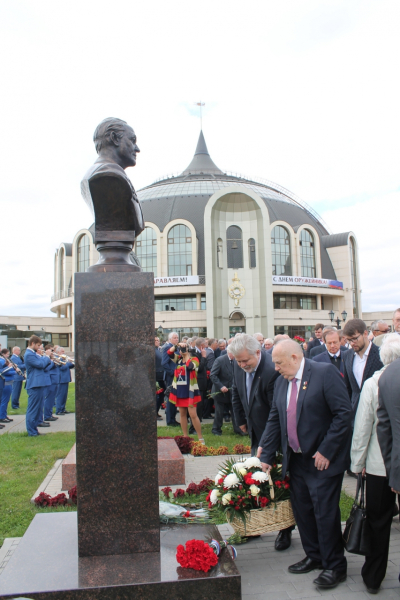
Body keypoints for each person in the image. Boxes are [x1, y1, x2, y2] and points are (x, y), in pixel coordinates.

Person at [259, 339, 352, 589]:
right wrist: (266, 454)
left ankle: (335, 566)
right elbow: (275, 418)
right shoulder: (282, 381)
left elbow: (343, 413)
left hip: (322, 460)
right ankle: (314, 555)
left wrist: (327, 450)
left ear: (294, 357)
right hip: (296, 459)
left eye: (279, 363)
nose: (275, 368)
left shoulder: (324, 373)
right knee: (303, 511)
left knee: (324, 513)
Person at [230, 335, 293, 551]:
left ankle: (285, 529)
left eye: (245, 361)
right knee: (256, 478)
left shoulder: (271, 370)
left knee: (280, 481)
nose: (242, 365)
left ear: (258, 352)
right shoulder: (240, 363)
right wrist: (240, 419)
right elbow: (236, 391)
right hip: (255, 430)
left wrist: (267, 443)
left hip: (276, 434)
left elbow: (277, 412)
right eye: (238, 361)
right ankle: (254, 526)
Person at [351, 333, 400, 593]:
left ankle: (373, 576)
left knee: (378, 521)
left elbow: (363, 427)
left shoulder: (373, 383)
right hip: (390, 463)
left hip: (379, 465)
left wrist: (357, 464)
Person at [343, 319, 384, 417]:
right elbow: (348, 387)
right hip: (355, 412)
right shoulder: (347, 355)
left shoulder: (381, 354)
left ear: (365, 333)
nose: (352, 343)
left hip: (377, 411)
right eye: (349, 340)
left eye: (355, 339)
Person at [167, 342, 204, 442]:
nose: (182, 351)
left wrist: (187, 355)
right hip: (180, 391)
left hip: (190, 391)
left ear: (189, 349)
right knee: (182, 414)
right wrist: (177, 345)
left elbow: (190, 366)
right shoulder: (178, 360)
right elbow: (169, 353)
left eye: (184, 349)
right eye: (181, 349)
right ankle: (185, 436)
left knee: (193, 415)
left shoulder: (194, 359)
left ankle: (200, 438)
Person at [210, 348, 244, 436]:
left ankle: (238, 429)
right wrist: (221, 386)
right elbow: (213, 375)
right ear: (229, 352)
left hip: (233, 391)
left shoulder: (237, 360)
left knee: (235, 411)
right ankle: (216, 429)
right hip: (220, 391)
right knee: (219, 412)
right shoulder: (220, 360)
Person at [25, 335, 53, 436]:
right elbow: (40, 364)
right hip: (34, 384)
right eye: (38, 345)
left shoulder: (33, 354)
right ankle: (31, 432)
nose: (39, 348)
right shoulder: (29, 354)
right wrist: (47, 356)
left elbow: (43, 365)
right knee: (33, 409)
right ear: (32, 343)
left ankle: (35, 430)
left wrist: (47, 358)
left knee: (37, 409)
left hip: (39, 383)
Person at [161, 332, 180, 426]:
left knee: (174, 397)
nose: (176, 339)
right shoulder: (167, 348)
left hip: (177, 376)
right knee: (171, 397)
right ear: (170, 339)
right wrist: (172, 373)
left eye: (177, 337)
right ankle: (170, 420)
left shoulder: (177, 348)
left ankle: (173, 418)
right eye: (174, 338)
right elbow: (164, 363)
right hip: (171, 376)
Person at [42, 345, 60, 423]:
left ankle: (50, 414)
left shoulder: (50, 358)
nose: (53, 352)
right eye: (51, 350)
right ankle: (47, 415)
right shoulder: (45, 358)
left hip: (54, 380)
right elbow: (46, 368)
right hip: (50, 379)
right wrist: (52, 362)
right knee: (49, 398)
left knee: (52, 399)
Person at [55, 347, 75, 415]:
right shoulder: (58, 358)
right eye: (62, 351)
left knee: (64, 395)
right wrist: (68, 362)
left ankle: (63, 408)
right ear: (58, 352)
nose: (63, 353)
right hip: (61, 379)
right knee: (60, 395)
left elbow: (69, 366)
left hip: (66, 379)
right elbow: (62, 367)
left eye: (64, 351)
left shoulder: (63, 359)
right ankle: (58, 410)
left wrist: (72, 363)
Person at [0, 349, 16, 424]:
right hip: (6, 382)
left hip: (8, 381)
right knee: (4, 400)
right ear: (3, 354)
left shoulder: (4, 360)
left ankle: (4, 415)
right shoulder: (1, 361)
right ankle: (2, 416)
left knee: (6, 400)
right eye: (7, 354)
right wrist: (14, 371)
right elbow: (4, 372)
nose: (8, 356)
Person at [155, 336, 164, 420]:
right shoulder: (152, 351)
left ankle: (156, 412)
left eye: (158, 340)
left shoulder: (159, 350)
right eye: (155, 340)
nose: (157, 341)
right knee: (158, 396)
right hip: (156, 376)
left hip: (161, 376)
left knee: (161, 395)